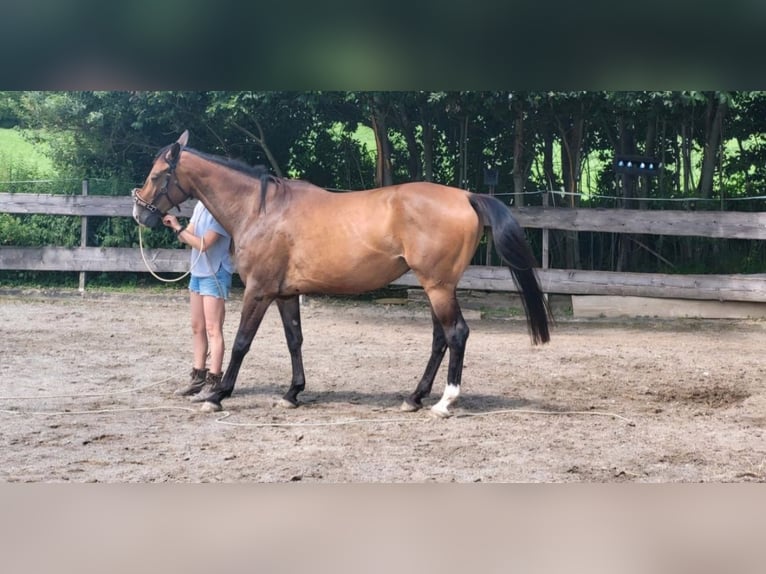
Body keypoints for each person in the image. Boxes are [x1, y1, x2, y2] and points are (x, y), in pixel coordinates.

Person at [162, 202, 234, 400]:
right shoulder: (200, 206)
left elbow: (203, 244)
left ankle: (214, 381)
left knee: (213, 329)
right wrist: (177, 227)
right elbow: (191, 235)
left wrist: (178, 228)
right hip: (198, 272)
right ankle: (198, 377)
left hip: (215, 273)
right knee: (197, 326)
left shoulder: (221, 210)